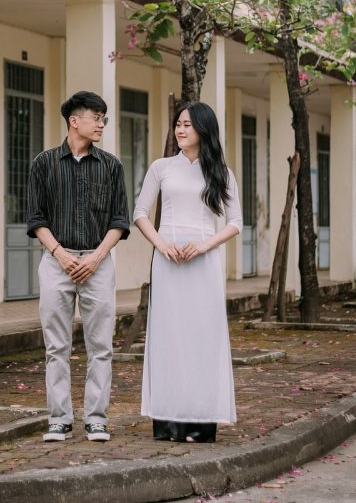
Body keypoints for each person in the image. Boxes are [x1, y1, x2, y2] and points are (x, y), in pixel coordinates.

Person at [133, 101, 242, 443]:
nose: (180, 130)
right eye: (177, 124)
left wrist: (205, 245)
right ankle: (166, 422)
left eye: (187, 125)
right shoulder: (161, 167)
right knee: (168, 339)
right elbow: (139, 213)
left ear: (203, 130)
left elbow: (236, 223)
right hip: (168, 265)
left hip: (204, 266)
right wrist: (161, 244)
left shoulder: (221, 173)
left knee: (201, 340)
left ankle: (201, 422)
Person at [27, 91, 130, 443]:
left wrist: (96, 257)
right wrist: (60, 254)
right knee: (56, 346)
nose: (101, 124)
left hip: (98, 262)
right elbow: (36, 218)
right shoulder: (43, 163)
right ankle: (59, 419)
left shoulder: (112, 165)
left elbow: (119, 220)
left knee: (100, 346)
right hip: (57, 262)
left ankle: (96, 418)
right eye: (96, 117)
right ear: (75, 120)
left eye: (104, 118)